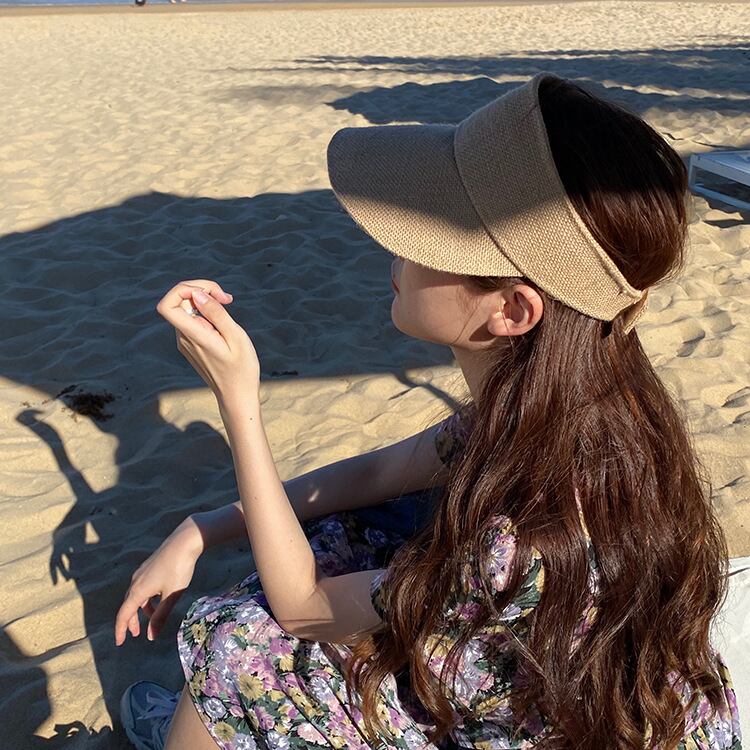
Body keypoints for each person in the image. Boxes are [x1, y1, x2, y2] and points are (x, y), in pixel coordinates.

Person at [114, 72, 742, 750]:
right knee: (352, 527)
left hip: (536, 720)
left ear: (512, 309)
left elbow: (304, 608)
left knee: (239, 642)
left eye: (427, 235)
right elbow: (377, 473)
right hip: (566, 679)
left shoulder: (523, 537)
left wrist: (238, 401)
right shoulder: (585, 401)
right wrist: (204, 528)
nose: (397, 248)